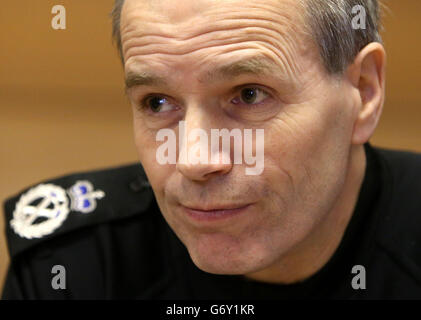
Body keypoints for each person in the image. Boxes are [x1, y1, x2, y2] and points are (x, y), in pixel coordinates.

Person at [2, 0, 421, 299]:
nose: (193, 160)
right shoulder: (76, 266)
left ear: (364, 91)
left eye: (250, 94)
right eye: (157, 102)